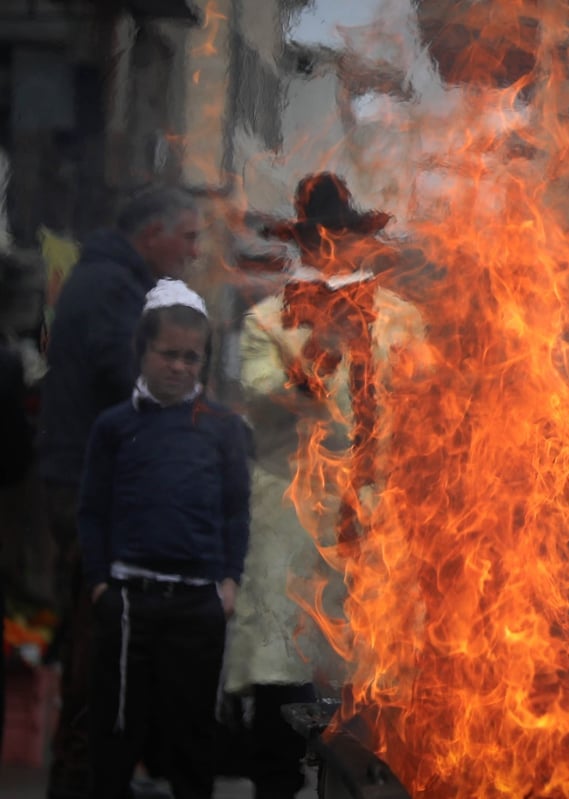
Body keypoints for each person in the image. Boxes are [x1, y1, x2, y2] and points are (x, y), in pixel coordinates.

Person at [224, 172, 427, 798]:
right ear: (305, 245)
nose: (333, 248)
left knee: (372, 677)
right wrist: (321, 354)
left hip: (376, 515)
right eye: (320, 237)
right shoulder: (267, 321)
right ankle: (275, 787)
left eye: (344, 236)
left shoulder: (402, 320)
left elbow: (426, 407)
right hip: (292, 515)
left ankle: (357, 787)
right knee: (282, 668)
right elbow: (261, 396)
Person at [39, 185, 200, 799]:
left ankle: (94, 773)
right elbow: (134, 373)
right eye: (186, 236)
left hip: (91, 484)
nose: (192, 250)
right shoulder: (111, 287)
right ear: (151, 234)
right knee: (98, 640)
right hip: (89, 490)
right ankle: (83, 779)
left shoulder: (112, 280)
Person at [79, 279, 249, 799]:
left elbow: (234, 510)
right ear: (143, 351)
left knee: (193, 729)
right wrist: (100, 584)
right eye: (168, 354)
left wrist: (229, 581)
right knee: (117, 726)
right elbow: (93, 510)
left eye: (191, 358)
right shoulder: (114, 427)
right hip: (130, 600)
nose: (179, 367)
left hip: (199, 601)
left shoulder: (221, 429)